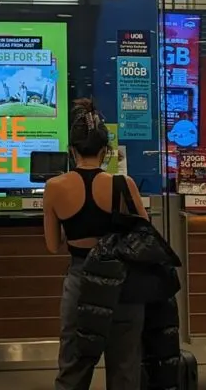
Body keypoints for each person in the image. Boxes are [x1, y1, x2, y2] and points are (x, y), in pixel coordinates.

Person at [43, 99, 150, 390]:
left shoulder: (55, 188)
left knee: (74, 369)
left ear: (72, 150)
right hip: (122, 285)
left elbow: (53, 245)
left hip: (81, 281)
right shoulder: (123, 184)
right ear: (105, 151)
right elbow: (146, 233)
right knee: (125, 368)